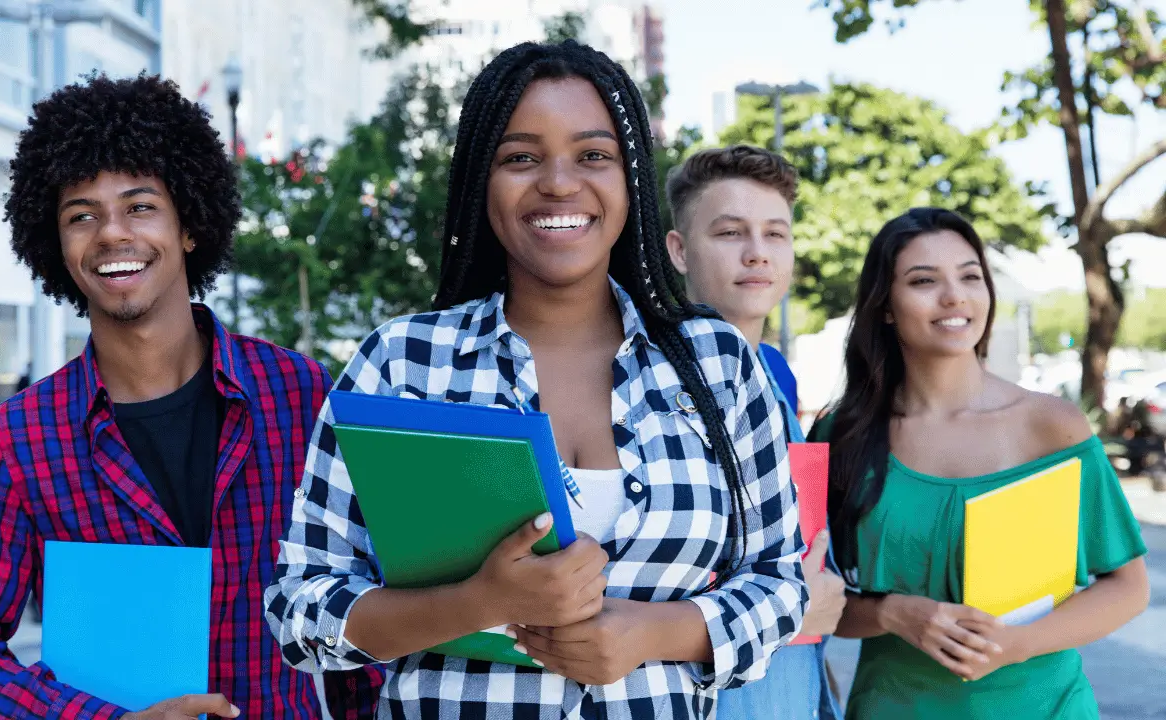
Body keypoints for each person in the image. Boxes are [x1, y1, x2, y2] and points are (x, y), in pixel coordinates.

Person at [265, 40, 807, 719]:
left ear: (630, 179)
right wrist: (479, 602)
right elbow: (301, 603)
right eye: (521, 157)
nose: (557, 182)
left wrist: (650, 634)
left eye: (592, 156)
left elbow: (781, 585)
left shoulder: (719, 365)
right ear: (478, 182)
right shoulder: (402, 364)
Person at [0, 74, 382, 720]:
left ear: (189, 225)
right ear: (57, 246)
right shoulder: (18, 440)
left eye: (139, 206)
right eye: (82, 216)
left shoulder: (298, 396)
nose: (111, 234)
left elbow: (365, 600)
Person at [817, 208, 1149, 719]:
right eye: (924, 281)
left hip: (1047, 708)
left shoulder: (1052, 426)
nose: (954, 297)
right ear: (885, 305)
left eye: (970, 276)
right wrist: (891, 613)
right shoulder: (844, 436)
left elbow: (1127, 586)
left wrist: (1020, 642)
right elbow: (810, 602)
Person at [664, 144, 845, 720]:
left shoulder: (775, 372)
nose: (757, 254)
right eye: (730, 233)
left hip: (793, 693)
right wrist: (792, 611)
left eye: (776, 234)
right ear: (679, 250)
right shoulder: (649, 383)